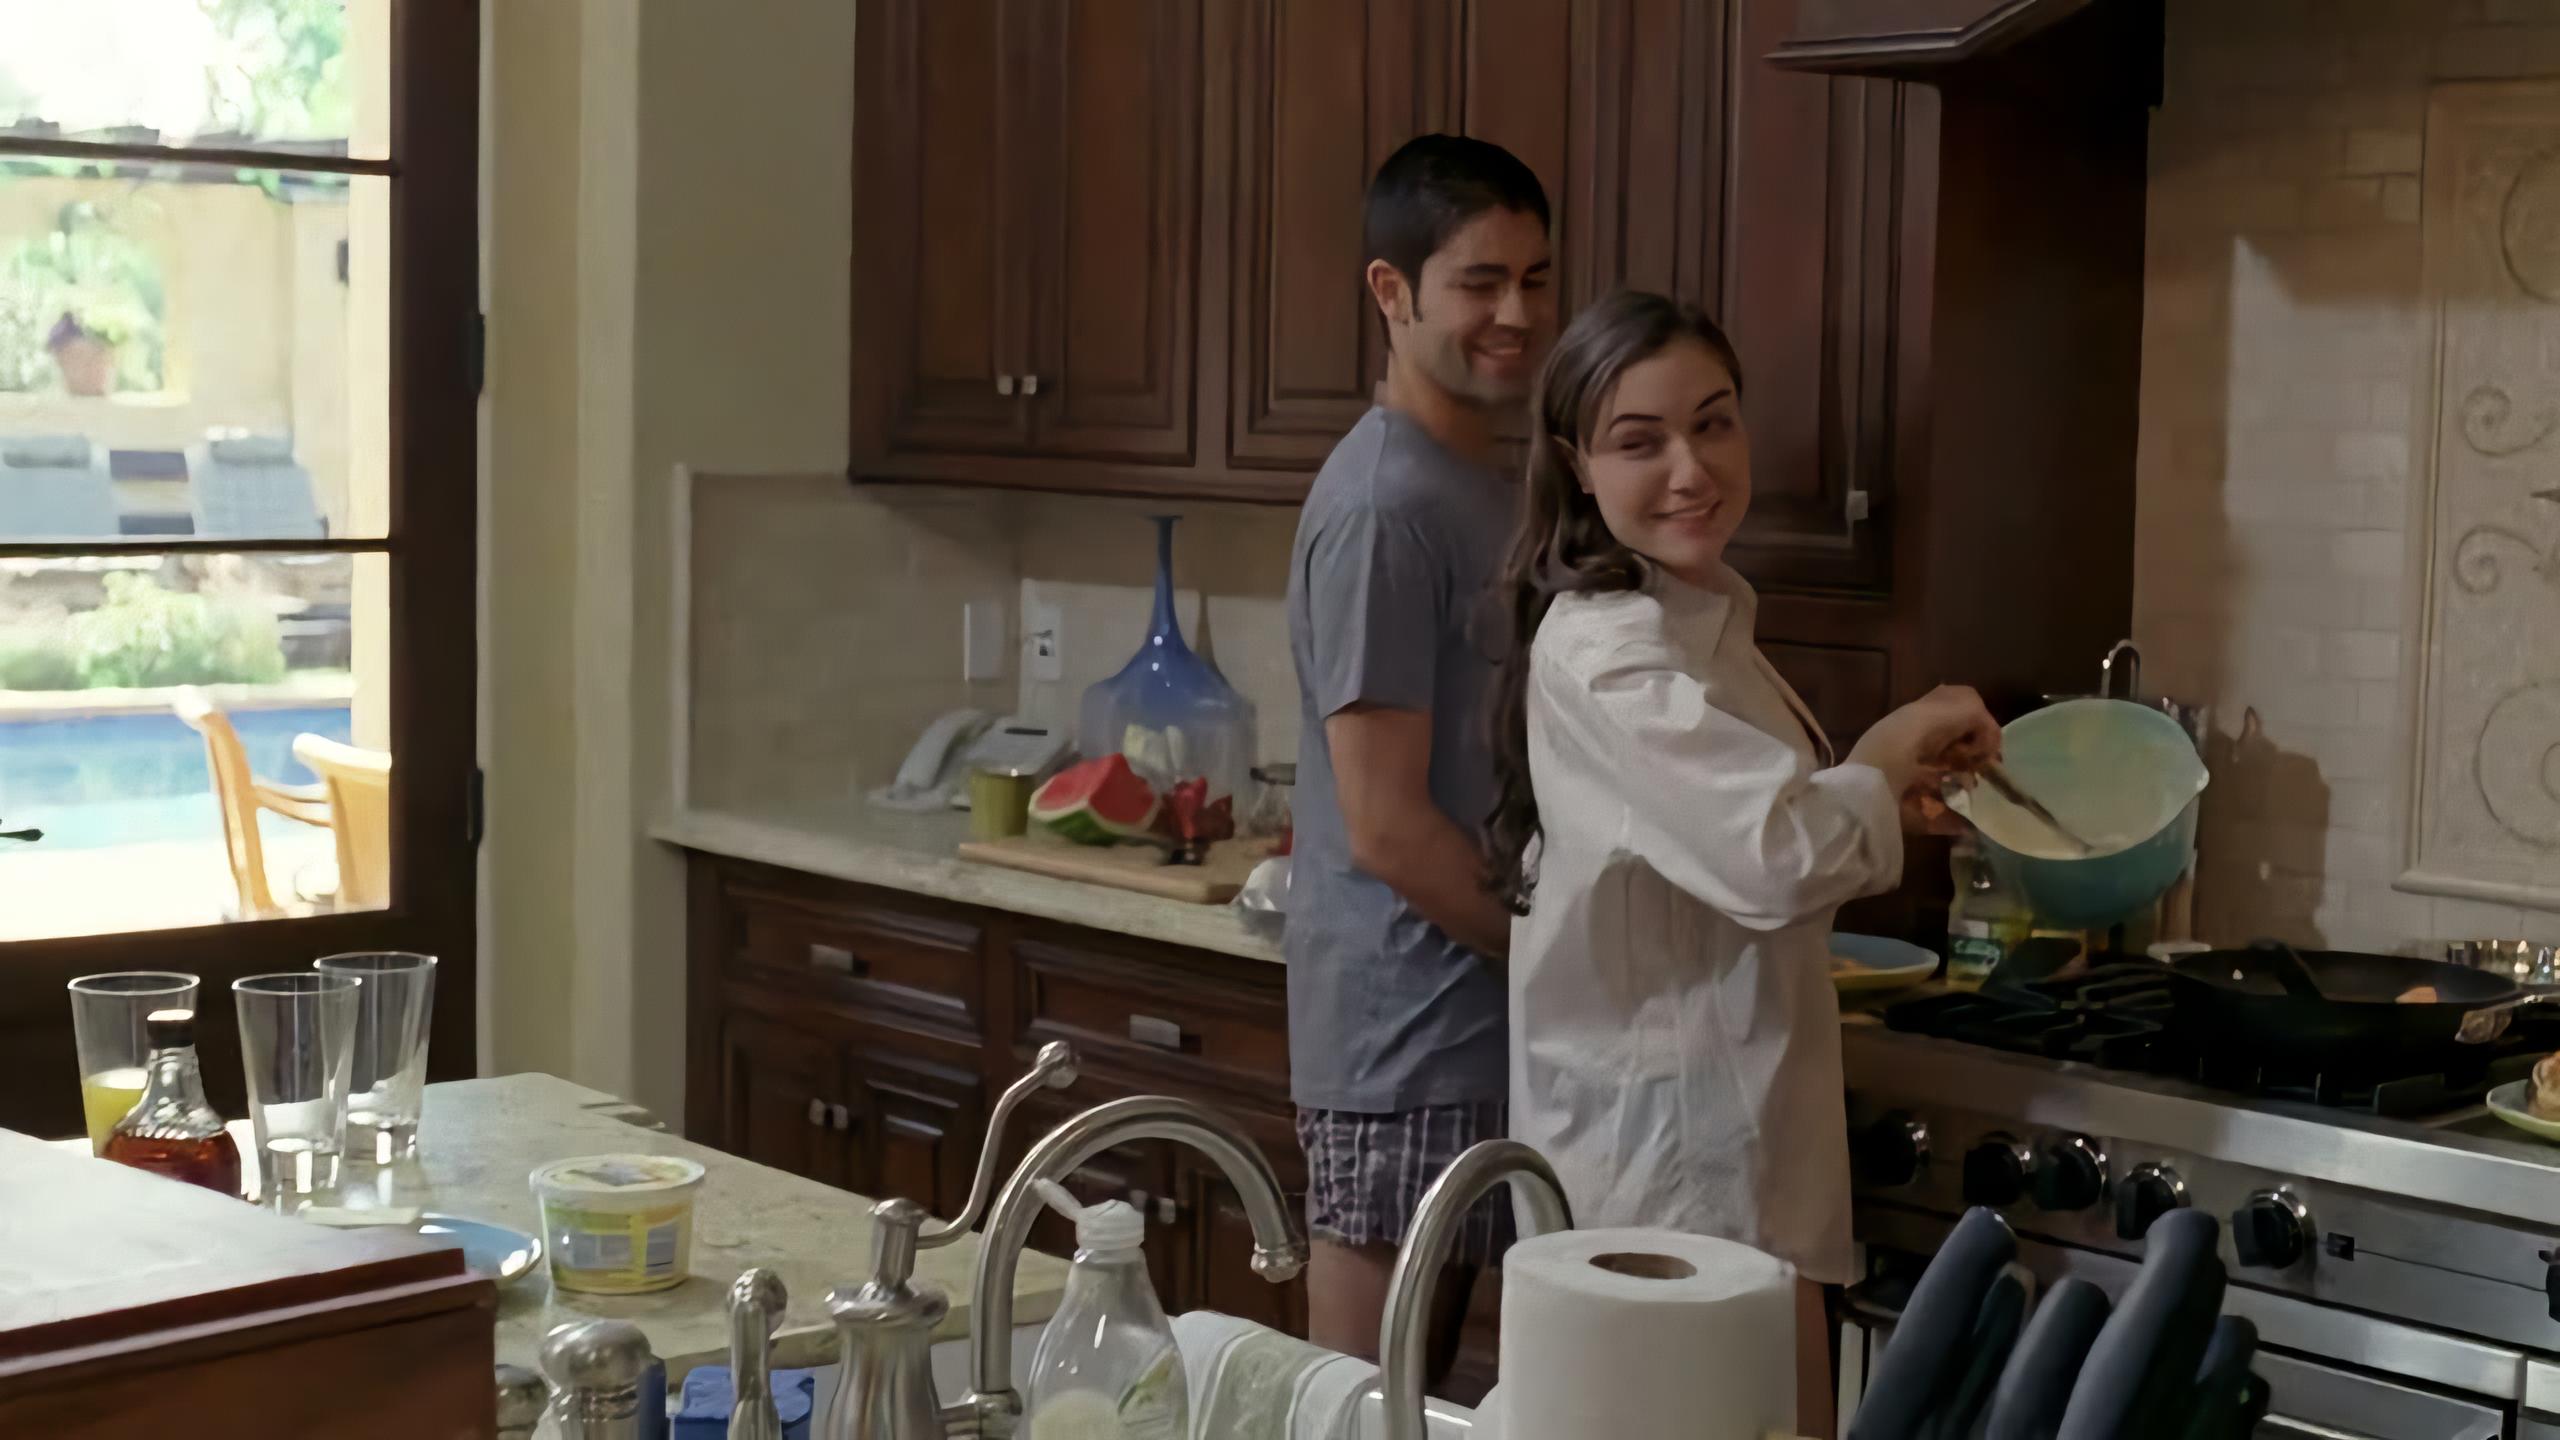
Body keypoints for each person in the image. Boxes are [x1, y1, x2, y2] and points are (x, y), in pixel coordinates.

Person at [1482, 290, 2000, 1429]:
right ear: (1576, 466)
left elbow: (1732, 834)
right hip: (1668, 1168)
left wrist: (1880, 797)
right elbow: (1772, 854)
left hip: (1736, 1138)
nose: (1691, 469)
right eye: (1640, 441)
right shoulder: (1609, 650)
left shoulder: (1693, 616)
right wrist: (1883, 752)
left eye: (1713, 423)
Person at [1285, 133, 1557, 1370]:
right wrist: (1558, 955)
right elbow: (1387, 824)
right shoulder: (1383, 507)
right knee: (1363, 1406)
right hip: (1403, 1040)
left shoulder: (1483, 483)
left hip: (1477, 1032)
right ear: (1390, 292)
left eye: (1534, 279)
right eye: (1479, 283)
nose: (1517, 314)